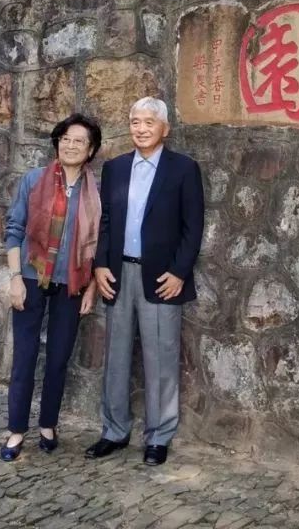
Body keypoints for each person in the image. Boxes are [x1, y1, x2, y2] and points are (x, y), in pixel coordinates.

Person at [84, 97, 205, 466]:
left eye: (148, 122)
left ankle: (159, 436)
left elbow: (193, 226)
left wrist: (180, 272)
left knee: (161, 357)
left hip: (162, 276)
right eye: (135, 121)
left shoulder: (184, 169)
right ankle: (114, 430)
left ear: (164, 128)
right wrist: (100, 266)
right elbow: (104, 223)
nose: (140, 128)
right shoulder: (116, 168)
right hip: (119, 273)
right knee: (116, 355)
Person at [1, 113, 102, 461]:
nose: (71, 145)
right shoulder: (33, 181)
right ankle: (16, 430)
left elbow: (99, 245)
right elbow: (14, 229)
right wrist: (15, 278)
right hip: (31, 277)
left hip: (71, 283)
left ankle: (48, 424)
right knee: (25, 357)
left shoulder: (96, 192)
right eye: (66, 139)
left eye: (79, 141)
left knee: (59, 358)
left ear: (90, 151)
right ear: (57, 143)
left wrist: (90, 289)